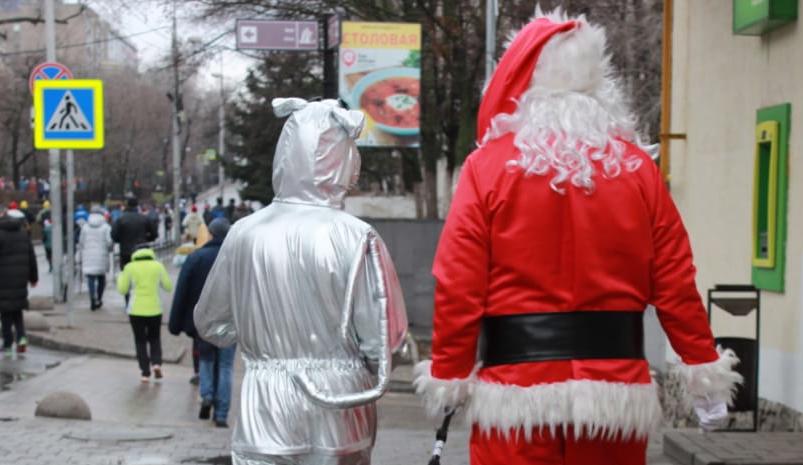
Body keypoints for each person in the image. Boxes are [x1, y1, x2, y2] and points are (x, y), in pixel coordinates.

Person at [413, 9, 742, 465]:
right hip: (613, 398)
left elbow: (458, 283)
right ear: (597, 81)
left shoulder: (486, 169)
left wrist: (450, 374)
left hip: (515, 399)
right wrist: (702, 373)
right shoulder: (638, 170)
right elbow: (674, 281)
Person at [194, 98, 408, 465]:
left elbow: (211, 323)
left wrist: (265, 339)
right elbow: (383, 338)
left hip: (265, 405)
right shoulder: (358, 236)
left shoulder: (243, 233)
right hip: (340, 406)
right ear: (344, 160)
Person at [170, 218, 234, 427]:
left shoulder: (196, 257)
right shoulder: (236, 260)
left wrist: (176, 322)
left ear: (211, 234)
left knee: (206, 360)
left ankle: (206, 395)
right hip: (229, 322)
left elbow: (182, 291)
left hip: (204, 321)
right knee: (225, 366)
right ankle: (222, 413)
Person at [117, 244, 173, 382]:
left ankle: (145, 372)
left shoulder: (130, 267)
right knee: (155, 338)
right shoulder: (158, 266)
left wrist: (120, 276)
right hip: (155, 308)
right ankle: (156, 363)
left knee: (140, 340)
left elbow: (122, 290)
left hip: (135, 310)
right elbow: (168, 286)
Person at [0, 205, 38, 356]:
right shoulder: (24, 235)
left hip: (3, 280)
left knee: (5, 313)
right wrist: (33, 278)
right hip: (20, 280)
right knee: (17, 310)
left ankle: (8, 343)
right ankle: (22, 338)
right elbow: (32, 258)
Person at [112, 198, 158, 304]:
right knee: (142, 276)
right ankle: (141, 298)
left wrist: (122, 240)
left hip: (126, 252)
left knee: (127, 276)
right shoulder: (144, 219)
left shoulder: (121, 219)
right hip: (142, 252)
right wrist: (146, 239)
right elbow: (155, 234)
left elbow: (114, 236)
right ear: (137, 206)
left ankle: (128, 300)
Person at [79, 206, 112, 310]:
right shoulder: (106, 227)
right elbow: (109, 242)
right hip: (102, 255)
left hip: (88, 255)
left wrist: (85, 249)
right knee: (101, 278)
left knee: (91, 278)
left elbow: (81, 241)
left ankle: (92, 297)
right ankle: (99, 298)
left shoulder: (85, 226)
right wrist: (109, 249)